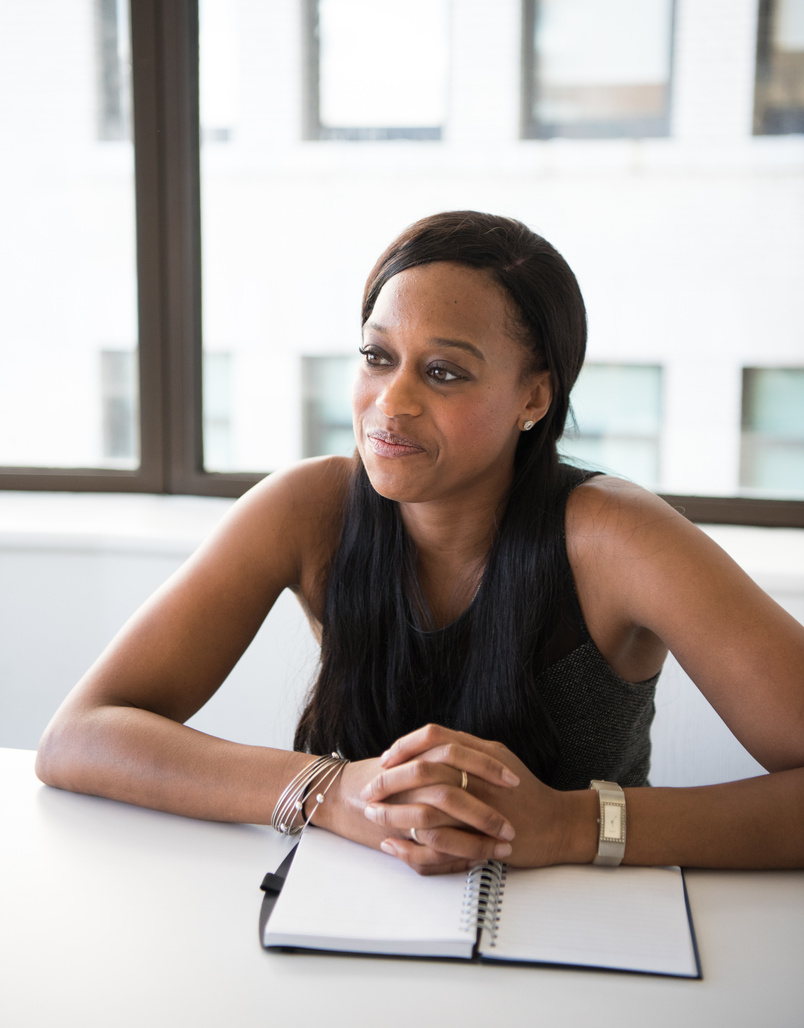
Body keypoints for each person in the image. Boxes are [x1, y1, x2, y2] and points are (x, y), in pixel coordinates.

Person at [36, 210, 804, 874]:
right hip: (355, 924)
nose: (389, 403)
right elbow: (80, 737)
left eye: (443, 372)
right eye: (377, 357)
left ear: (534, 396)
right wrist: (336, 795)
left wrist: (568, 826)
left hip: (588, 942)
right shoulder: (311, 508)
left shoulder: (614, 535)